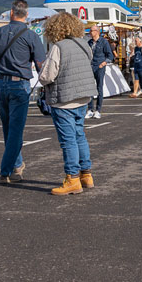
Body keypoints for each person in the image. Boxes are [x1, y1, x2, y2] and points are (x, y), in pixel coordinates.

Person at [37, 12, 99, 196]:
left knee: (68, 140)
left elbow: (47, 76)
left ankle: (72, 178)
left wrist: (41, 74)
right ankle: (86, 175)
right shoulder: (83, 44)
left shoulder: (58, 47)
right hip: (83, 96)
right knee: (79, 135)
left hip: (64, 99)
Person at [0, 0, 46, 184]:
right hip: (19, 84)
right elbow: (41, 63)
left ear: (11, 13)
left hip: (0, 83)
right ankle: (7, 170)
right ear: (26, 15)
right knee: (16, 130)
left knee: (7, 128)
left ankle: (17, 165)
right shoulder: (31, 36)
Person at [87, 25, 114, 118]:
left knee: (99, 88)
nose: (90, 33)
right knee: (89, 88)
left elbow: (110, 56)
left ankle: (98, 110)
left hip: (99, 67)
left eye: (92, 31)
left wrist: (103, 63)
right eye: (90, 31)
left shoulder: (104, 42)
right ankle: (90, 109)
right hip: (90, 67)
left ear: (97, 32)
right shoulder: (89, 42)